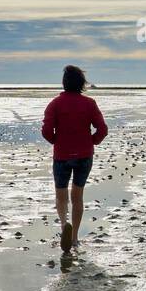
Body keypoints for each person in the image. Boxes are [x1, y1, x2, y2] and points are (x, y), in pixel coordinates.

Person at [41, 65, 107, 253]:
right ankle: (75, 237)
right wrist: (91, 142)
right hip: (84, 155)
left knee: (61, 195)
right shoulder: (89, 103)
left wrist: (57, 142)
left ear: (64, 83)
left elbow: (46, 131)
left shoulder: (55, 104)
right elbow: (102, 129)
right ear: (81, 84)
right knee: (77, 196)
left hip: (62, 155)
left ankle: (64, 226)